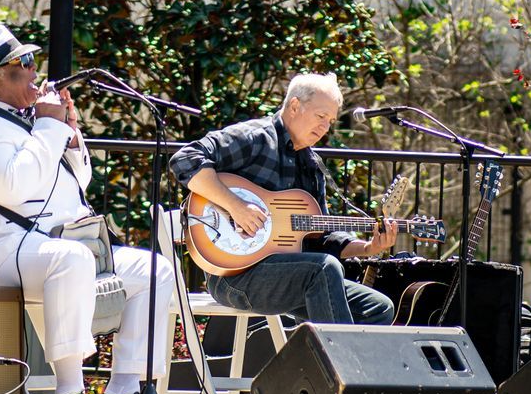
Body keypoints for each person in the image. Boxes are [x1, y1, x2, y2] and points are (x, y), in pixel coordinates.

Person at [0, 24, 175, 394]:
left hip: (49, 246)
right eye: (24, 64)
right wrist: (50, 126)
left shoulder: (24, 119)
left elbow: (77, 181)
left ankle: (123, 391)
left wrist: (68, 133)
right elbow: (16, 188)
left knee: (155, 270)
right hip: (1, 249)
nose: (35, 71)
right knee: (71, 259)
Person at [168, 73, 397, 327]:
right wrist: (236, 206)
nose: (325, 127)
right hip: (233, 277)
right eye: (321, 117)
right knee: (323, 269)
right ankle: (337, 365)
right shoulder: (255, 138)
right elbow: (185, 159)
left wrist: (368, 248)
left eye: (330, 121)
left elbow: (318, 238)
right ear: (295, 106)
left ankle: (322, 364)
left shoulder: (311, 166)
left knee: (377, 307)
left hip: (289, 277)